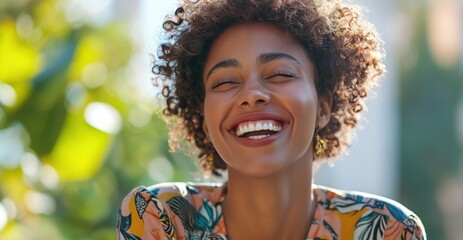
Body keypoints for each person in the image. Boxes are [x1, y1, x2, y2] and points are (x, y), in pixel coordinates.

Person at [116, 0, 426, 239]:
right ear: (204, 118)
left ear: (323, 107)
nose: (251, 94)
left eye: (279, 74)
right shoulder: (163, 218)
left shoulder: (387, 230)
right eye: (224, 82)